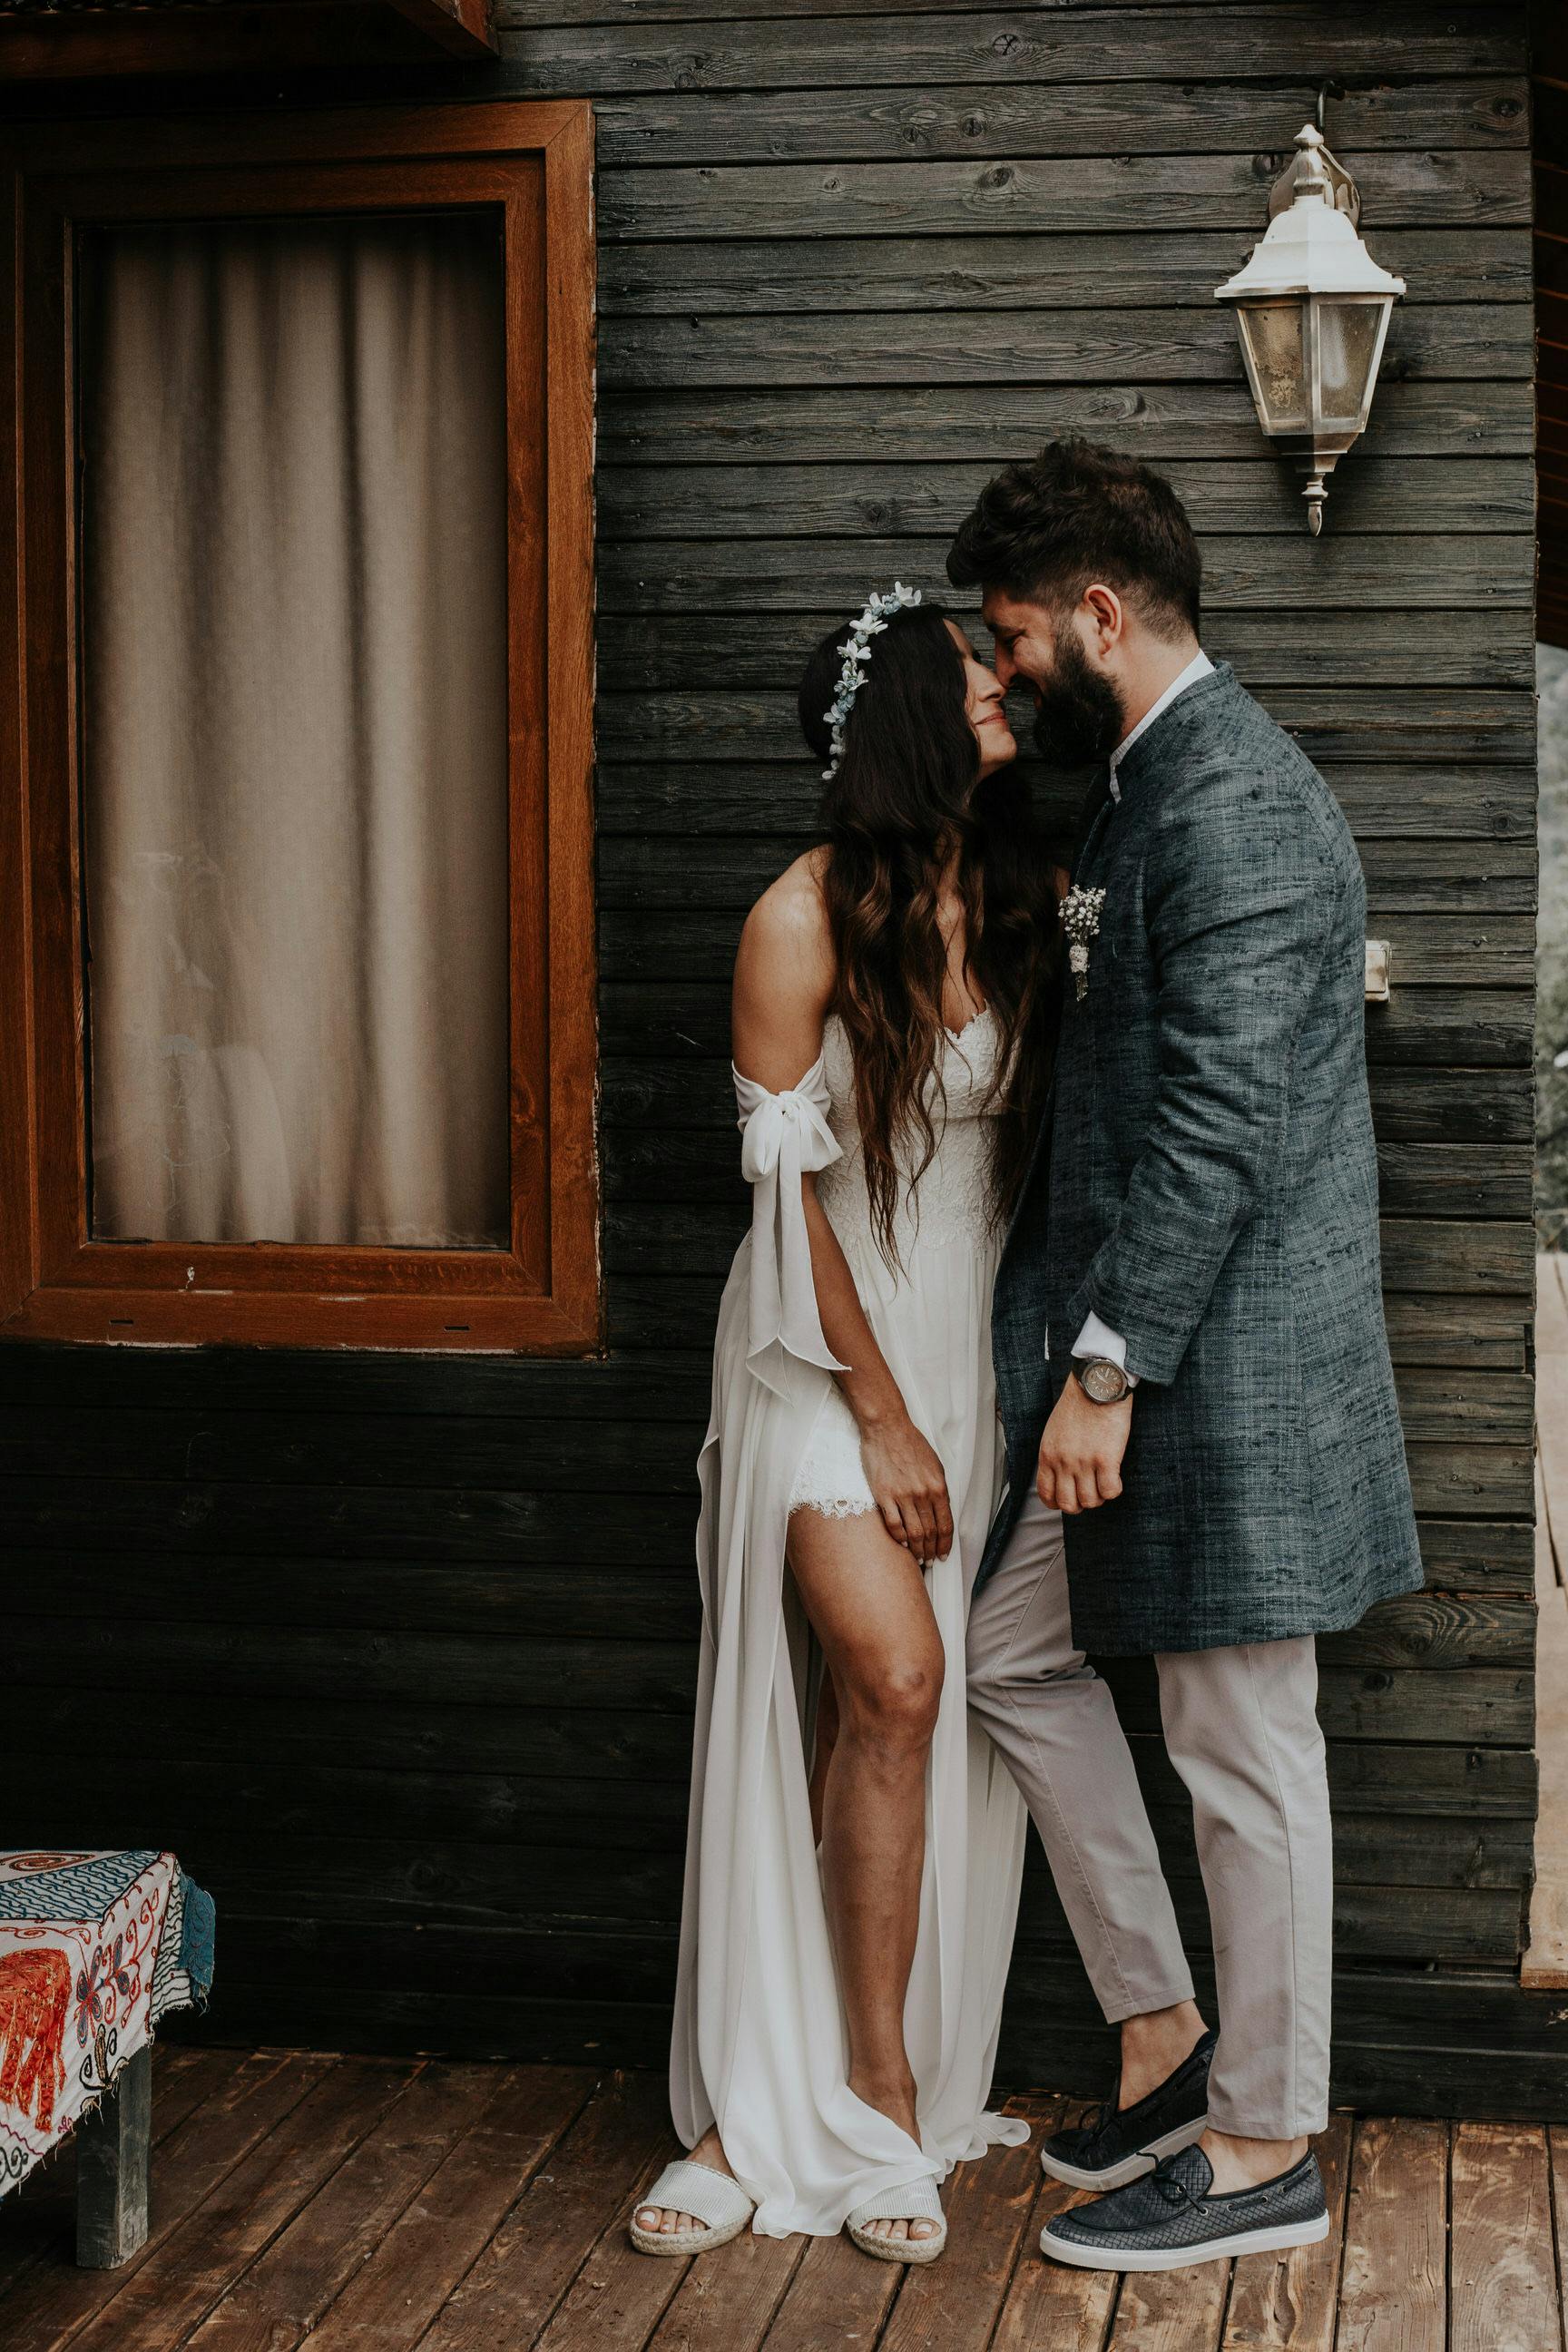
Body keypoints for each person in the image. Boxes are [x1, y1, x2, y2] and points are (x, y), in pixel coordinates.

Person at [951, 440, 1424, 2273]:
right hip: (1161, 1366)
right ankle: (1169, 2036)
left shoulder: (1224, 799)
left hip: (1225, 1381)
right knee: (1014, 1655)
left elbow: (1219, 1115)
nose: (1006, 680)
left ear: (1094, 610)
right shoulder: (1150, 787)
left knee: (1244, 1746)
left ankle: (1265, 2150)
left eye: (1014, 641)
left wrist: (1103, 1367)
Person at [628, 588, 1060, 2264]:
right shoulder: (797, 923)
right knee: (891, 1679)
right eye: (973, 677)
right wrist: (880, 1419)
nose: (1002, 691)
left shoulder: (1015, 900)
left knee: (885, 1734)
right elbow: (793, 1202)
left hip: (974, 1346)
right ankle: (849, 2094)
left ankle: (820, 2097)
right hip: (824, 1355)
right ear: (901, 724)